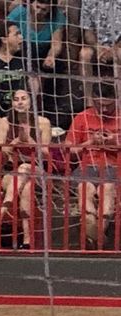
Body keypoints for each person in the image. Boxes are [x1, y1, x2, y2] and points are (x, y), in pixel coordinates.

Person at [0, 89, 51, 249]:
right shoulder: (5, 122)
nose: (19, 102)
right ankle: (27, 241)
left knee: (25, 167)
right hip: (11, 171)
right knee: (27, 188)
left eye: (23, 98)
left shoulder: (43, 122)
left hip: (37, 169)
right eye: (16, 99)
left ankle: (2, 211)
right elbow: (0, 153)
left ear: (30, 102)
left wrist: (30, 142)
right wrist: (15, 143)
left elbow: (46, 154)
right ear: (12, 103)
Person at [66, 82, 119, 247]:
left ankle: (94, 238)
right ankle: (97, 237)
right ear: (92, 100)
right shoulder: (82, 117)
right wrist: (90, 142)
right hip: (87, 166)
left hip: (114, 167)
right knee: (85, 189)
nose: (104, 110)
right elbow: (69, 149)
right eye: (100, 105)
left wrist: (114, 141)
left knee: (107, 190)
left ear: (116, 100)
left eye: (108, 105)